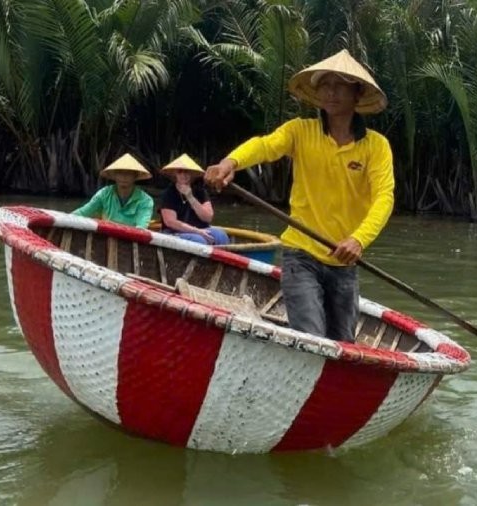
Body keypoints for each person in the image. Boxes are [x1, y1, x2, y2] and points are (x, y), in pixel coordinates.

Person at [204, 49, 394, 343]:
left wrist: (358, 239)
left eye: (340, 85)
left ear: (357, 94)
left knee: (344, 345)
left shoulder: (376, 146)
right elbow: (265, 146)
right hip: (300, 255)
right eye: (325, 85)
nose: (331, 92)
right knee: (311, 339)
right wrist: (230, 163)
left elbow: (384, 197)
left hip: (344, 262)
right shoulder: (300, 132)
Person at [159, 154, 230, 245]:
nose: (184, 175)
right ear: (175, 174)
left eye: (187, 172)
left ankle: (221, 259)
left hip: (201, 229)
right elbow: (170, 222)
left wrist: (190, 197)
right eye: (180, 172)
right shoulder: (168, 193)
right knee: (199, 240)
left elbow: (208, 217)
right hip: (175, 232)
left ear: (192, 174)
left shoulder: (200, 192)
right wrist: (196, 231)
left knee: (221, 235)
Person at [72, 153, 154, 228]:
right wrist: (66, 218)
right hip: (107, 236)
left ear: (135, 176)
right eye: (120, 172)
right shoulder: (104, 194)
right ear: (114, 175)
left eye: (129, 173)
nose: (124, 177)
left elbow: (141, 227)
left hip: (131, 239)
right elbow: (84, 212)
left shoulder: (146, 200)